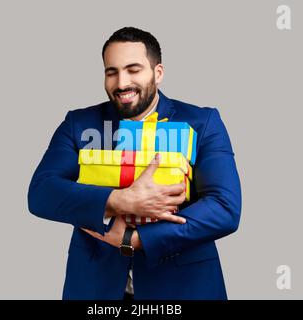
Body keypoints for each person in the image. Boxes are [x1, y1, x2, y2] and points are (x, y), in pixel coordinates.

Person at [28, 27, 242, 300]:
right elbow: (41, 192)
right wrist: (120, 200)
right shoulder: (78, 124)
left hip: (183, 287)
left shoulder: (203, 122)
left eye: (133, 69)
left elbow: (224, 208)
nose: (121, 83)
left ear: (158, 73)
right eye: (112, 72)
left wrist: (137, 240)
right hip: (96, 287)